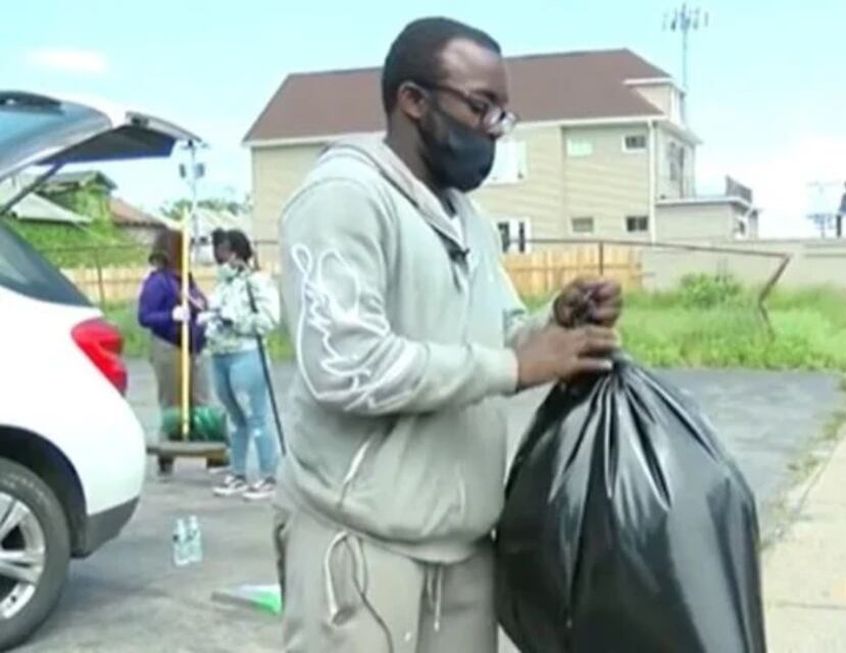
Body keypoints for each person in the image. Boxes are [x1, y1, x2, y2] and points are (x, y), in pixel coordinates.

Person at [274, 16, 622, 652]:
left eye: (502, 114)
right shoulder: (344, 199)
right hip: (362, 551)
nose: (493, 129)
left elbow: (501, 335)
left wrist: (555, 324)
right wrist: (516, 367)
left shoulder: (468, 219)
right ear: (413, 101)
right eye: (480, 106)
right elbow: (345, 365)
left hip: (463, 556)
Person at [199, 229, 282, 501]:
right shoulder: (222, 285)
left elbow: (270, 319)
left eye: (225, 250)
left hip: (247, 354)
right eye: (218, 251)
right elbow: (217, 311)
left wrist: (236, 321)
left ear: (237, 251)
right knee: (235, 419)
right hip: (220, 353)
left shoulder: (257, 281)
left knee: (256, 416)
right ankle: (238, 472)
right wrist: (208, 319)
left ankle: (270, 475)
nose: (221, 257)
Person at [137, 228, 211, 476]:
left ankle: (214, 453)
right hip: (169, 346)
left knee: (202, 400)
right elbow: (144, 317)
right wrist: (170, 315)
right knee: (172, 403)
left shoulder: (186, 280)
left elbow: (199, 303)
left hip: (195, 346)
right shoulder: (157, 282)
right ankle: (166, 455)